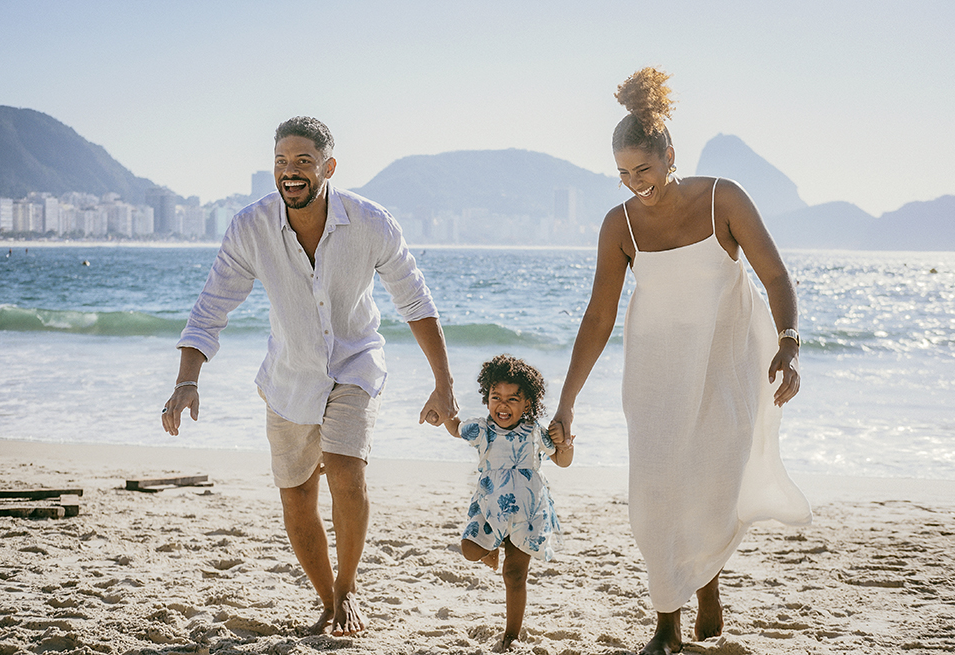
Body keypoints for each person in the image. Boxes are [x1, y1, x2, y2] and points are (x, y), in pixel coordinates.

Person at [160, 116, 458, 637]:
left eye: (303, 162)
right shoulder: (249, 227)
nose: (290, 173)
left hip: (355, 363)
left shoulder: (371, 222)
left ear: (328, 167)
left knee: (346, 471)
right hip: (290, 375)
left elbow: (414, 301)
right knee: (296, 495)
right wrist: (188, 379)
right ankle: (328, 601)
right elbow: (211, 307)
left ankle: (348, 589)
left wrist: (444, 385)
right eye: (281, 162)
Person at [550, 68, 812, 655]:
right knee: (656, 491)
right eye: (622, 173)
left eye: (642, 169)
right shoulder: (619, 225)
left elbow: (774, 274)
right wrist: (567, 402)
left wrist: (788, 344)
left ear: (669, 156)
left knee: (711, 485)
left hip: (727, 364)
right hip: (656, 372)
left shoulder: (723, 198)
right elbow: (598, 317)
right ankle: (667, 620)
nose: (634, 183)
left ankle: (706, 589)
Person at [442, 354, 574, 652]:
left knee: (514, 574)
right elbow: (454, 427)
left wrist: (565, 443)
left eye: (513, 399)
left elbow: (562, 461)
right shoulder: (481, 429)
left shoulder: (535, 431)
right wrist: (442, 408)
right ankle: (492, 546)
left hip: (527, 511)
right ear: (486, 399)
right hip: (490, 507)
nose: (503, 404)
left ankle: (511, 634)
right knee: (469, 549)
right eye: (495, 397)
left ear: (528, 404)